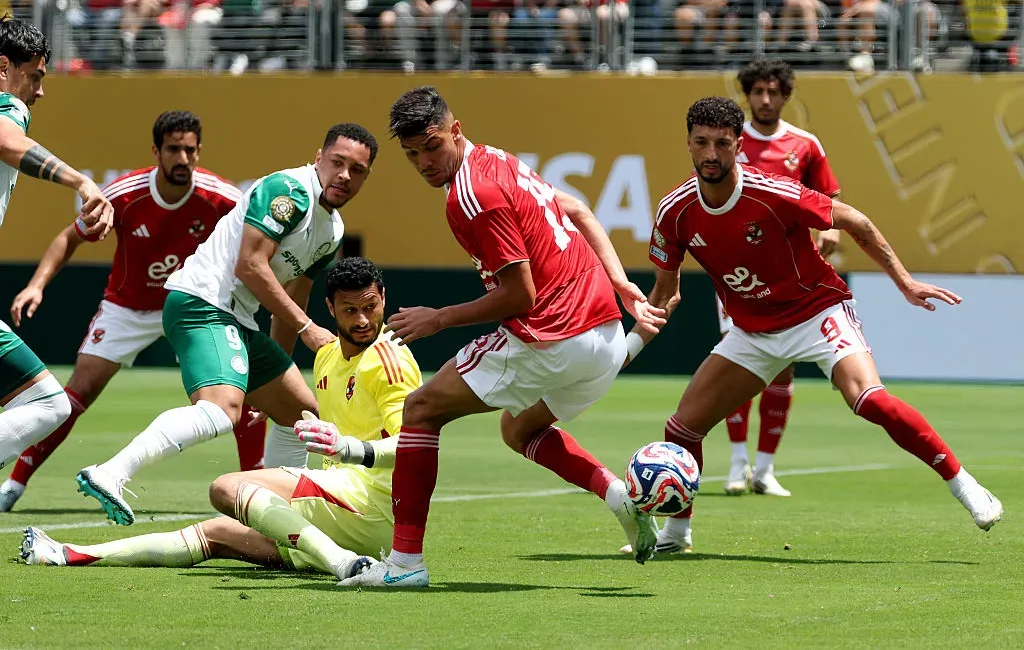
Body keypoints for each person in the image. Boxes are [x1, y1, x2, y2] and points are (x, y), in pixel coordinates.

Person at [623, 96, 1002, 555]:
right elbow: (666, 292)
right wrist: (628, 346)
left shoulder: (773, 192)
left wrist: (904, 282)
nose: (711, 154)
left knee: (869, 400)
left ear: (739, 145)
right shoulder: (674, 211)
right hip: (753, 331)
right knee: (682, 430)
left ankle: (966, 486)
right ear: (688, 143)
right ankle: (676, 535)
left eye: (722, 143)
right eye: (701, 143)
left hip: (817, 311)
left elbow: (855, 221)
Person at [338, 86, 667, 588]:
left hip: (551, 337)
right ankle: (619, 497)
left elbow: (520, 296)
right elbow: (578, 209)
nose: (424, 163)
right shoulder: (499, 159)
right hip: (605, 334)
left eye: (431, 147)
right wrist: (621, 283)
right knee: (519, 430)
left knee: (421, 409)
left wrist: (438, 319)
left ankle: (404, 565)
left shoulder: (471, 196)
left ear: (456, 131)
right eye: (411, 155)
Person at [21, 258, 417, 583]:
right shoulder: (328, 356)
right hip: (341, 509)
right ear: (330, 309)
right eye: (350, 310)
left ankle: (346, 564)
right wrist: (283, 408)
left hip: (373, 506)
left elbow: (413, 446)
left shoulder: (390, 360)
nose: (362, 320)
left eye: (370, 307)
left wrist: (347, 448)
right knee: (215, 534)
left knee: (228, 488)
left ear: (383, 297)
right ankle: (65, 553)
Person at [75, 123, 378, 527]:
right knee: (221, 411)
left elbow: (294, 297)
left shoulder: (332, 230)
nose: (344, 175)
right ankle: (111, 472)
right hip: (202, 302)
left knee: (302, 414)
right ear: (319, 158)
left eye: (357, 170)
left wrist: (274, 378)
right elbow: (250, 266)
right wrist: (307, 328)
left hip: (238, 319)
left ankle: (274, 514)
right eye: (337, 162)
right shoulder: (288, 191)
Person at [0, 110, 257, 513]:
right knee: (76, 393)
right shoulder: (125, 193)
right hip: (128, 307)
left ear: (199, 151)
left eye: (190, 150)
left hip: (192, 304)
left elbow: (258, 242)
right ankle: (13, 486)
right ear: (156, 151)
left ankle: (255, 490)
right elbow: (69, 238)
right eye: (173, 149)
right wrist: (36, 285)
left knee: (244, 394)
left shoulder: (222, 197)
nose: (183, 159)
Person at [718, 59, 842, 498]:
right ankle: (737, 463)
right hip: (737, 273)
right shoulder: (730, 142)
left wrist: (829, 229)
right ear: (747, 95)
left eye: (773, 92)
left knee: (783, 368)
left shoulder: (804, 144)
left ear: (786, 96)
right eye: (758, 92)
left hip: (788, 274)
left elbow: (828, 197)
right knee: (737, 363)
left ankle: (765, 469)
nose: (765, 100)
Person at [0, 16, 114, 474]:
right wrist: (81, 182)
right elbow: (6, 140)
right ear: (4, 67)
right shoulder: (9, 105)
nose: (40, 91)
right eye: (35, 76)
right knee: (49, 404)